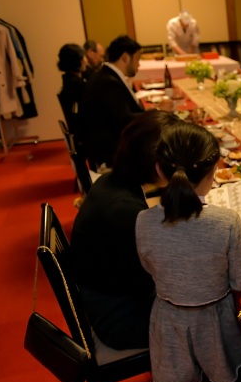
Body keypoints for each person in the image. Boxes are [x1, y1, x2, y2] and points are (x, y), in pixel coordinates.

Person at [136, 122, 241, 382]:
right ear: (212, 172)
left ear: (160, 169)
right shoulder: (225, 221)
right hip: (214, 319)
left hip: (169, 318)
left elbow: (150, 267)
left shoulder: (143, 221)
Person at [72, 110, 180, 350]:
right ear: (159, 165)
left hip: (111, 296)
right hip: (121, 318)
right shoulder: (123, 211)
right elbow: (153, 281)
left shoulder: (111, 181)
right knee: (213, 305)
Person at [82, 35, 147, 170]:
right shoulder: (108, 82)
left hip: (112, 144)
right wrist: (156, 112)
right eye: (137, 59)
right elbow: (126, 121)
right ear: (125, 57)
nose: (139, 64)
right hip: (113, 153)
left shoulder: (107, 76)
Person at [56, 43, 88, 140]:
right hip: (86, 134)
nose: (86, 60)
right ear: (79, 61)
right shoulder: (77, 85)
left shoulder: (69, 82)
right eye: (83, 57)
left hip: (80, 132)